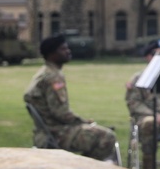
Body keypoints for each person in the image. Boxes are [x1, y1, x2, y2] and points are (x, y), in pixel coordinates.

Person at [24, 33, 117, 161]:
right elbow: (61, 113)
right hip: (56, 133)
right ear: (52, 54)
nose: (68, 51)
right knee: (107, 136)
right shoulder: (54, 77)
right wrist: (86, 123)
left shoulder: (43, 72)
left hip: (45, 132)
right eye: (63, 49)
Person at [125, 39, 160, 169]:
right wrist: (155, 116)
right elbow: (134, 103)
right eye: (155, 54)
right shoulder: (138, 79)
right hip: (148, 118)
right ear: (148, 57)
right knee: (149, 124)